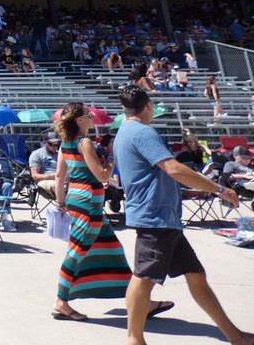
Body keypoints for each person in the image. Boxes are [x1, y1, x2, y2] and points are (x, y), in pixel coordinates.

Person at [114, 84, 252, 345]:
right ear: (148, 107)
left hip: (164, 218)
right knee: (143, 278)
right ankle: (134, 340)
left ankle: (234, 336)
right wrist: (220, 189)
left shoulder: (124, 131)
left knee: (196, 276)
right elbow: (174, 169)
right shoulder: (143, 132)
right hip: (154, 217)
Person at [50, 101, 132, 322]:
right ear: (79, 120)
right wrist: (111, 156)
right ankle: (61, 301)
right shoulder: (84, 142)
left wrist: (61, 204)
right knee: (76, 252)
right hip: (89, 202)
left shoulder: (65, 143)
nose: (93, 117)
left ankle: (136, 297)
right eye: (88, 114)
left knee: (112, 249)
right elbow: (103, 176)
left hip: (77, 198)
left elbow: (59, 177)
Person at [30, 131, 61, 201]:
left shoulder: (60, 154)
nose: (54, 147)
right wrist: (54, 176)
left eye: (56, 145)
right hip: (45, 181)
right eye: (51, 144)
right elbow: (35, 176)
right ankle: (63, 207)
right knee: (58, 186)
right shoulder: (37, 154)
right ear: (44, 143)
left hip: (61, 179)